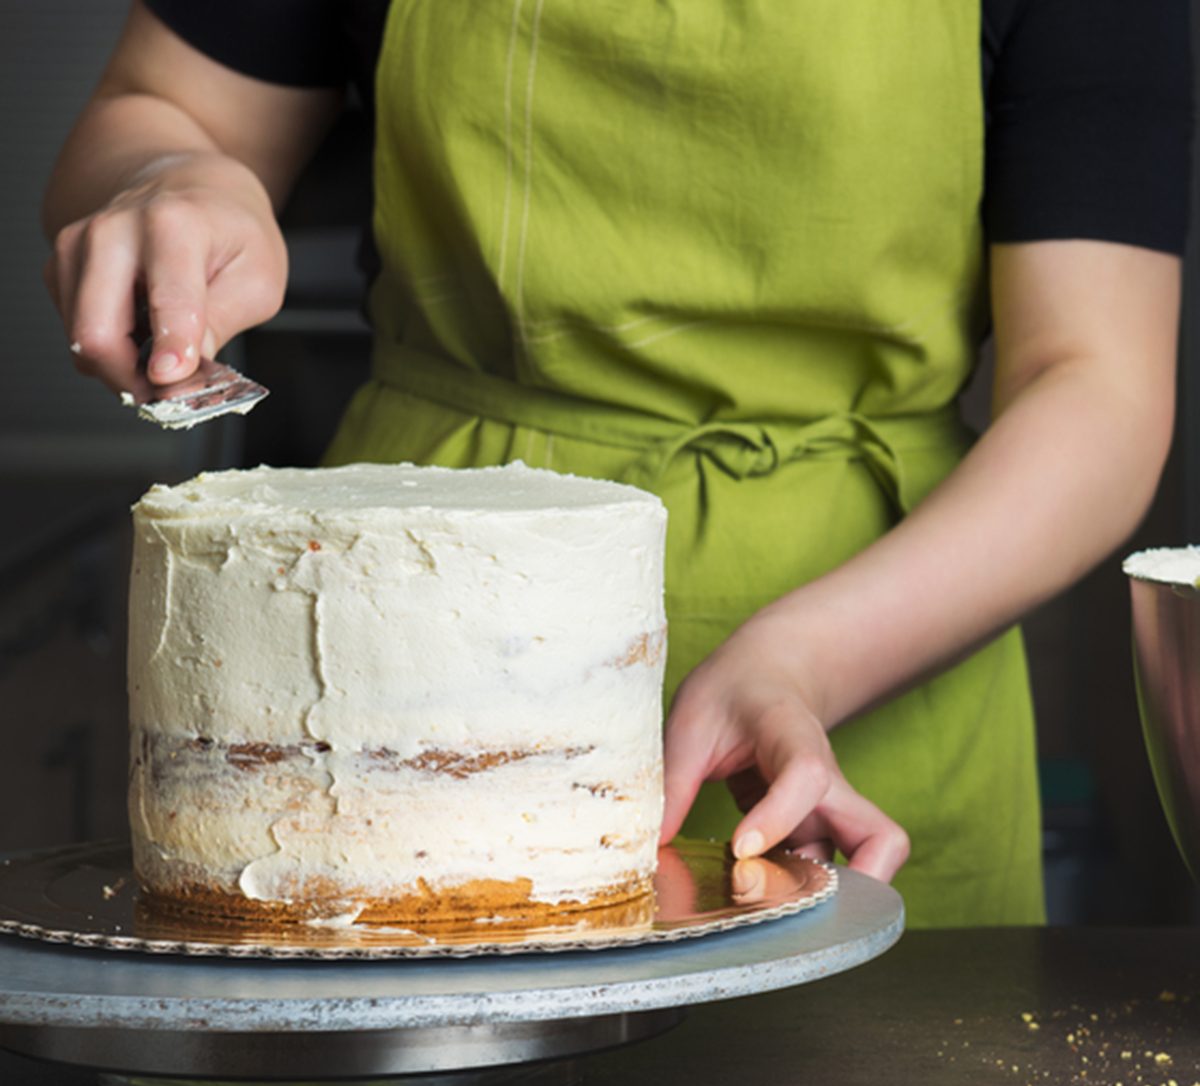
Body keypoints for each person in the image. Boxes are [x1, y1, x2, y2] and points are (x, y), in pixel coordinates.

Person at [41, 1, 1192, 927]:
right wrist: (167, 177)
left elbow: (1096, 384)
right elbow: (166, 103)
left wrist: (804, 661)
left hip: (873, 668)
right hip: (392, 632)